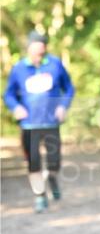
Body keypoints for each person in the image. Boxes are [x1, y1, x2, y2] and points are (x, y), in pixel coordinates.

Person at [3, 30, 75, 213]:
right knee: (33, 162)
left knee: (54, 161)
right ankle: (40, 196)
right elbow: (9, 94)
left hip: (51, 122)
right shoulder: (19, 68)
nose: (39, 50)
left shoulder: (55, 64)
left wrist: (62, 106)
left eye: (43, 46)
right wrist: (16, 107)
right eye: (36, 46)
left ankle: (52, 178)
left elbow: (69, 88)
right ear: (29, 47)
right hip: (29, 124)